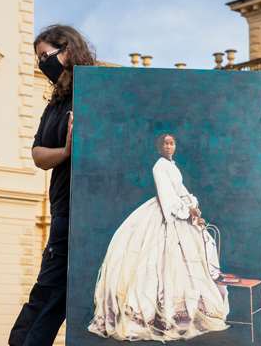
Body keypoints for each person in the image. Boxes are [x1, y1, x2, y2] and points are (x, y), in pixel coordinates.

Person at [87, 134, 228, 341]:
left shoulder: (173, 166)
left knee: (189, 261)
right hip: (166, 214)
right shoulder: (159, 167)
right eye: (165, 143)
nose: (169, 146)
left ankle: (183, 311)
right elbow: (167, 197)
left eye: (172, 143)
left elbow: (181, 190)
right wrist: (186, 211)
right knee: (157, 263)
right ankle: (156, 314)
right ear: (159, 147)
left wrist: (193, 207)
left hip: (181, 212)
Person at [9, 24, 96, 346]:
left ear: (68, 51)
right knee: (53, 289)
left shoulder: (94, 93)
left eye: (46, 56)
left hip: (90, 210)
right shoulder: (55, 104)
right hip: (64, 210)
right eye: (39, 58)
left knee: (55, 289)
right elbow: (38, 155)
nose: (41, 64)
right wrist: (66, 151)